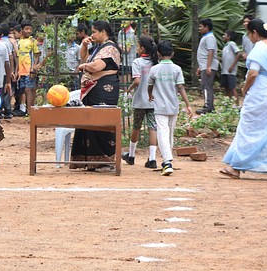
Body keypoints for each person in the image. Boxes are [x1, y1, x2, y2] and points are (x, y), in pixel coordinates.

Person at [220, 19, 267, 181]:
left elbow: (253, 73)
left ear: (255, 33)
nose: (249, 37)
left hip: (261, 95)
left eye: (249, 33)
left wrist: (244, 89)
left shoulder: (258, 49)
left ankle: (235, 168)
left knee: (247, 129)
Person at [70, 20, 121, 172]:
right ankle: (91, 161)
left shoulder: (110, 48)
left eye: (94, 32)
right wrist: (84, 46)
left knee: (101, 123)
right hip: (93, 90)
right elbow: (84, 58)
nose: (91, 35)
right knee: (88, 123)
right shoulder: (98, 47)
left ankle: (105, 161)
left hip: (104, 90)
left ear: (103, 32)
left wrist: (84, 67)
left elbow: (96, 66)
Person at [147, 41, 194, 176]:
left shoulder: (154, 69)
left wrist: (150, 95)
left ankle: (167, 162)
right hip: (173, 106)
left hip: (160, 106)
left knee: (162, 133)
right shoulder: (177, 69)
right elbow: (181, 87)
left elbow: (149, 85)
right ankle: (167, 160)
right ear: (172, 53)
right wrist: (188, 104)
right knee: (169, 133)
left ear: (158, 54)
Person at [121, 35, 159, 169]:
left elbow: (137, 81)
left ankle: (131, 156)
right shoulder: (156, 62)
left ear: (142, 48)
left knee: (136, 127)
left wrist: (129, 89)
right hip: (153, 100)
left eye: (137, 46)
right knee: (153, 128)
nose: (136, 48)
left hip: (140, 100)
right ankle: (152, 158)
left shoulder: (137, 62)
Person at [16, 20, 41, 117]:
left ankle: (30, 111)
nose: (29, 31)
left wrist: (33, 67)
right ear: (22, 30)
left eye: (30, 29)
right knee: (22, 90)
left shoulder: (33, 41)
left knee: (29, 89)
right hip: (20, 70)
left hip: (28, 69)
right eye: (26, 29)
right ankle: (24, 109)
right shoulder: (18, 41)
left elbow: (36, 55)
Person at [196, 18, 219, 114]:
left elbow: (211, 51)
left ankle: (207, 106)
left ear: (207, 27)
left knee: (206, 86)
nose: (199, 28)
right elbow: (204, 53)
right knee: (206, 85)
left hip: (208, 66)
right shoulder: (206, 37)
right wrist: (200, 67)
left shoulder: (209, 37)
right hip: (205, 65)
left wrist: (208, 66)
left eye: (201, 26)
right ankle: (210, 106)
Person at [220, 29, 242, 106]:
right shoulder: (225, 46)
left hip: (230, 71)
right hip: (224, 70)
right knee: (227, 88)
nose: (223, 36)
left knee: (232, 88)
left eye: (224, 35)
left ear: (229, 36)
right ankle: (228, 104)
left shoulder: (232, 44)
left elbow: (239, 53)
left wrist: (232, 66)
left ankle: (237, 105)